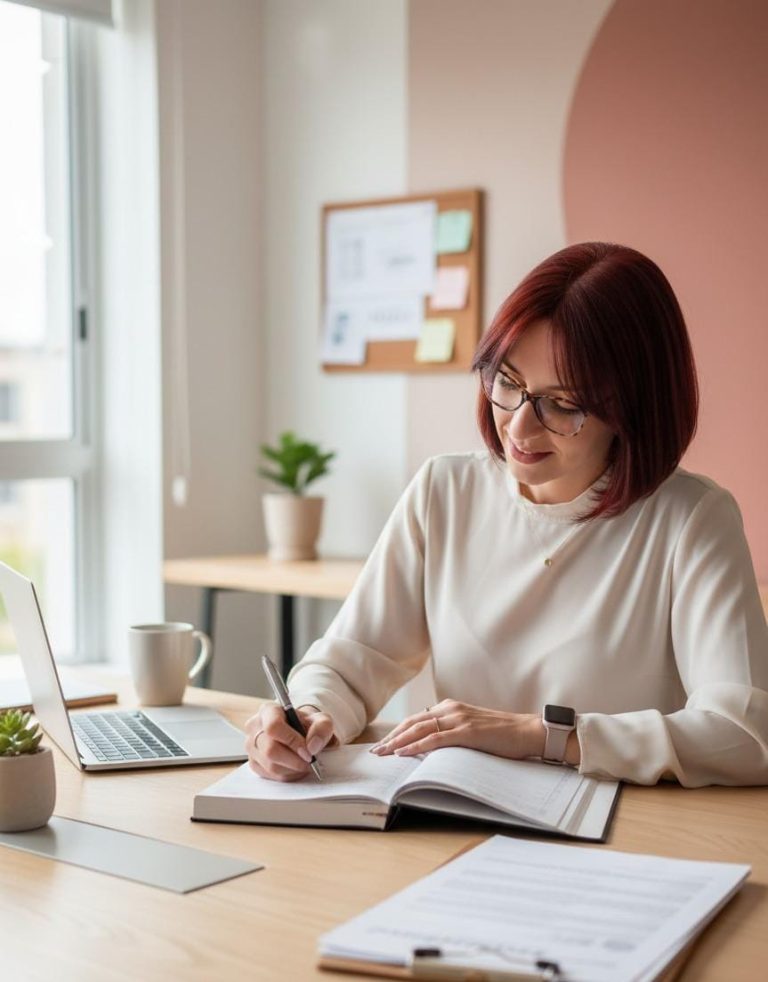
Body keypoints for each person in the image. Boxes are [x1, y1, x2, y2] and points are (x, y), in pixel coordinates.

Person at [246, 242, 768, 787]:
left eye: (563, 404)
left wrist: (541, 735)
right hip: (456, 818)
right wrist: (305, 714)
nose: (518, 428)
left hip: (617, 839)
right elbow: (352, 661)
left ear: (633, 409)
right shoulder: (445, 491)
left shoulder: (691, 521)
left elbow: (746, 734)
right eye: (509, 383)